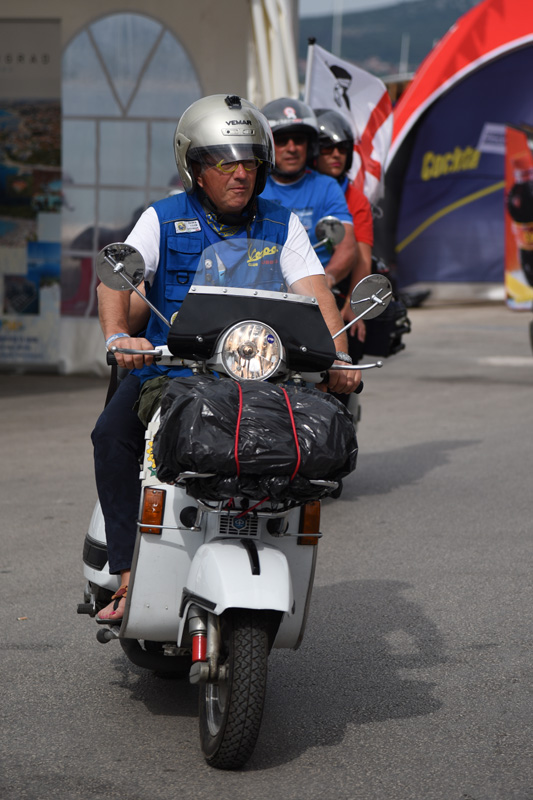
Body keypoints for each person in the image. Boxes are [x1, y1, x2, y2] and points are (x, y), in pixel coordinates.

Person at [92, 94, 362, 622]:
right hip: (172, 369)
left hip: (264, 373)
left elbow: (317, 294)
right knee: (111, 435)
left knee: (318, 439)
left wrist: (341, 353)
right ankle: (126, 573)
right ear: (196, 167)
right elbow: (118, 274)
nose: (240, 174)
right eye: (225, 162)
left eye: (249, 163)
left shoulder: (282, 223)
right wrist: (119, 336)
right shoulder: (163, 216)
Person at [259, 98, 358, 292]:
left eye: (299, 140)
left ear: (310, 145)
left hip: (314, 291)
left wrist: (328, 278)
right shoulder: (255, 187)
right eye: (281, 141)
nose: (292, 148)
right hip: (264, 290)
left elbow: (346, 245)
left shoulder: (326, 186)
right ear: (268, 146)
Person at [314, 107, 374, 355]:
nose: (336, 155)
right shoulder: (301, 188)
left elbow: (361, 256)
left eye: (342, 149)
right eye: (327, 148)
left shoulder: (355, 198)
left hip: (335, 289)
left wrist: (353, 306)